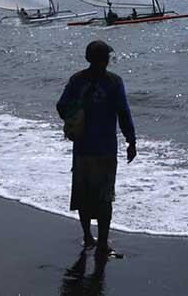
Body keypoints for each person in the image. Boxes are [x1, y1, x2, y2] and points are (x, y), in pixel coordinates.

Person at [56, 41, 137, 258]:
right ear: (106, 59)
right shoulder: (113, 82)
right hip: (105, 148)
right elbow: (124, 113)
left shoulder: (77, 80)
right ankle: (102, 243)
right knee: (104, 196)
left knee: (82, 193)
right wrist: (131, 141)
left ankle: (87, 237)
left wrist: (76, 116)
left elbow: (61, 107)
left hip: (82, 146)